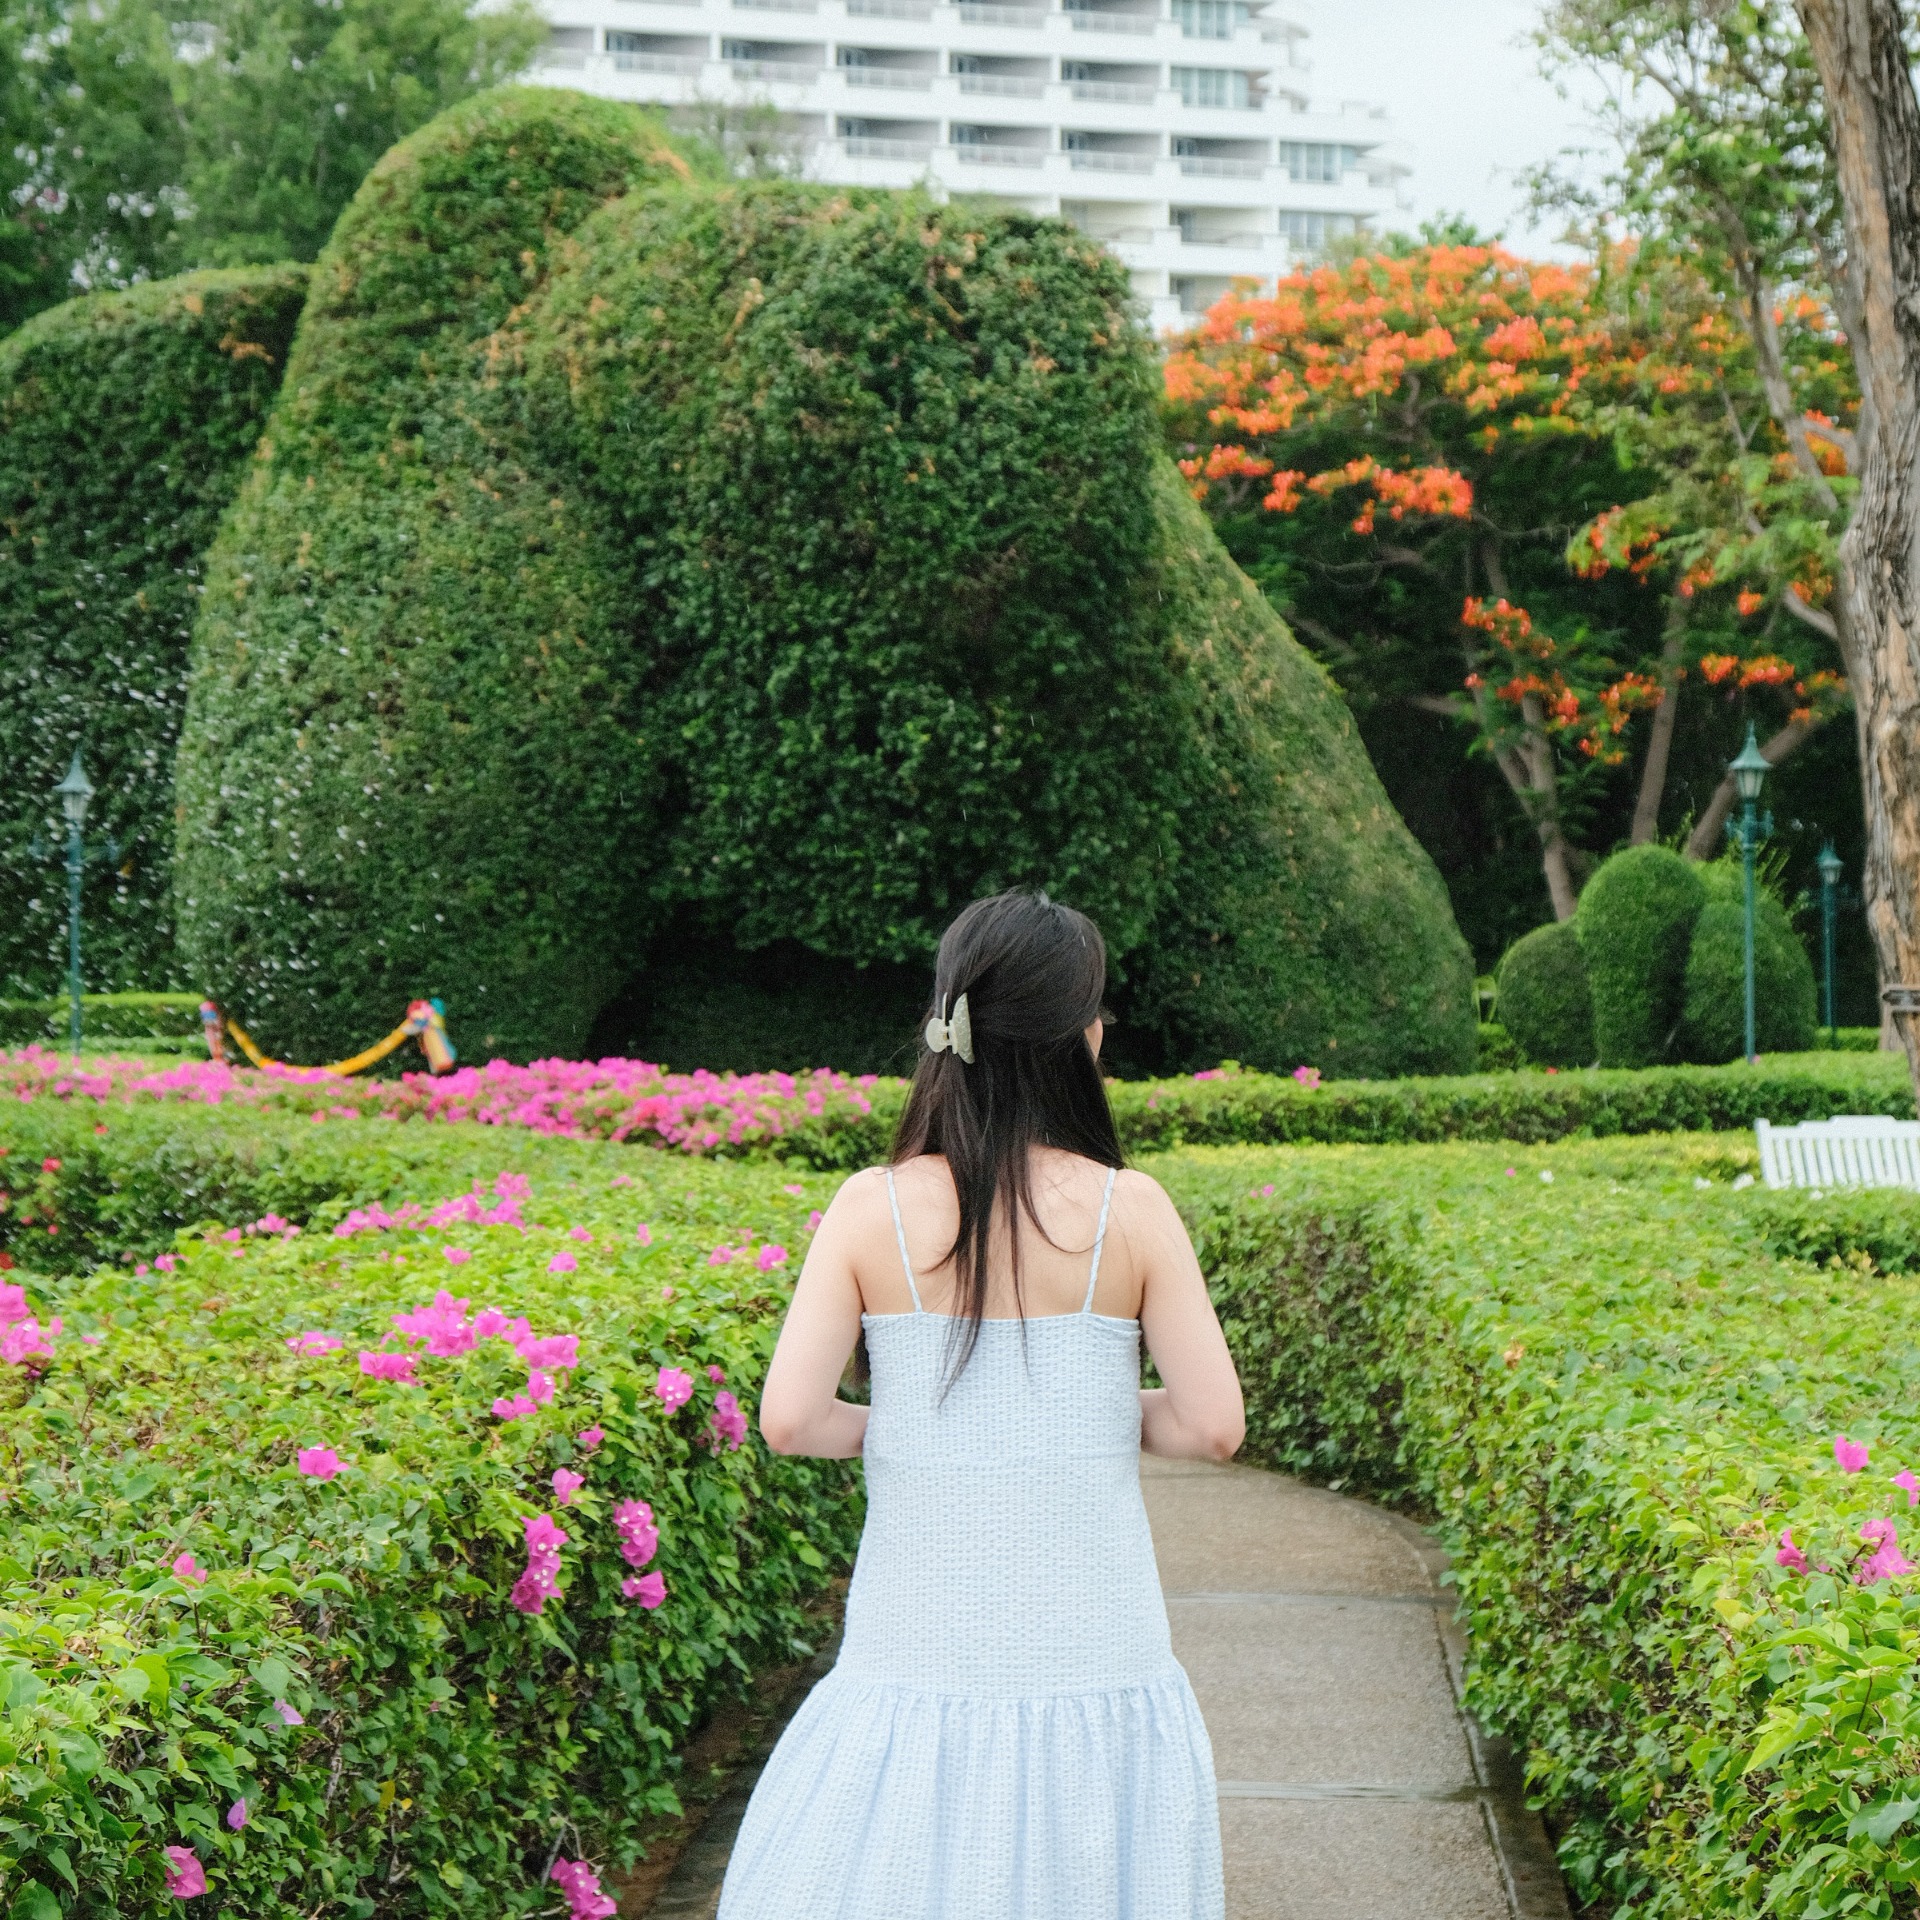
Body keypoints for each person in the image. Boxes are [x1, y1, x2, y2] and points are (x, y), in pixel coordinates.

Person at [716, 889, 1244, 1920]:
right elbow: (1213, 1423)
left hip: (917, 1645)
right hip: (1097, 1647)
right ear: (1072, 1036)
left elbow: (790, 1418)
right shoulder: (1127, 1210)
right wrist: (1090, 1413)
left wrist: (919, 1428)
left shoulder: (872, 1205)